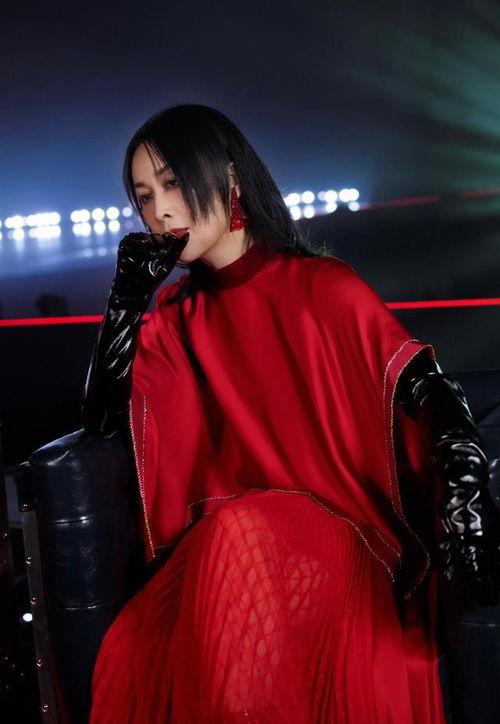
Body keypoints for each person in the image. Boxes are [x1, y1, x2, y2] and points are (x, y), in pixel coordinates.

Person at [82, 103, 500, 723]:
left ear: (228, 177)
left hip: (337, 539)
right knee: (169, 611)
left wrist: (464, 478)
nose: (160, 210)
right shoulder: (174, 319)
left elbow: (423, 384)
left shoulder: (320, 285)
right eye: (144, 196)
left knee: (238, 535)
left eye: (173, 183)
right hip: (227, 550)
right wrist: (124, 303)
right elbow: (103, 423)